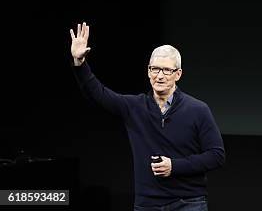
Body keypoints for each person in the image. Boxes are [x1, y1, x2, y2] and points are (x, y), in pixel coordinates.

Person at [69, 22, 225, 211]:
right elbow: (97, 93)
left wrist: (174, 166)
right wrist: (80, 63)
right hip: (148, 204)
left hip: (189, 202)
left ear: (178, 74)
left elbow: (216, 155)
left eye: (166, 70)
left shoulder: (198, 109)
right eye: (155, 69)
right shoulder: (134, 107)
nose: (160, 76)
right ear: (148, 71)